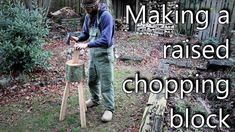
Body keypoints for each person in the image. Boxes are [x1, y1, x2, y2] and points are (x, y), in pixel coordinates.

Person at [71, 0, 115, 122]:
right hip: (93, 55)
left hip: (104, 55)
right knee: (92, 80)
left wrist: (87, 45)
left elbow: (106, 40)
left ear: (96, 5)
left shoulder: (106, 16)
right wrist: (78, 39)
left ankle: (109, 108)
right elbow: (85, 34)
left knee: (106, 83)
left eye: (89, 8)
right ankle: (95, 99)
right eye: (85, 8)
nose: (86, 10)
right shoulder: (88, 16)